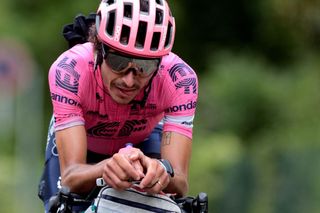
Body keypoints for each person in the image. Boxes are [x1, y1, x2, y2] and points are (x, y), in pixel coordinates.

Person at [38, 0, 198, 212]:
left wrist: (160, 171)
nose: (129, 81)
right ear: (99, 48)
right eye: (118, 62)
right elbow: (70, 177)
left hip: (144, 140)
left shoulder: (179, 79)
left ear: (160, 62)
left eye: (144, 66)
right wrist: (105, 168)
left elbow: (180, 184)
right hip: (84, 144)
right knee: (64, 204)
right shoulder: (69, 71)